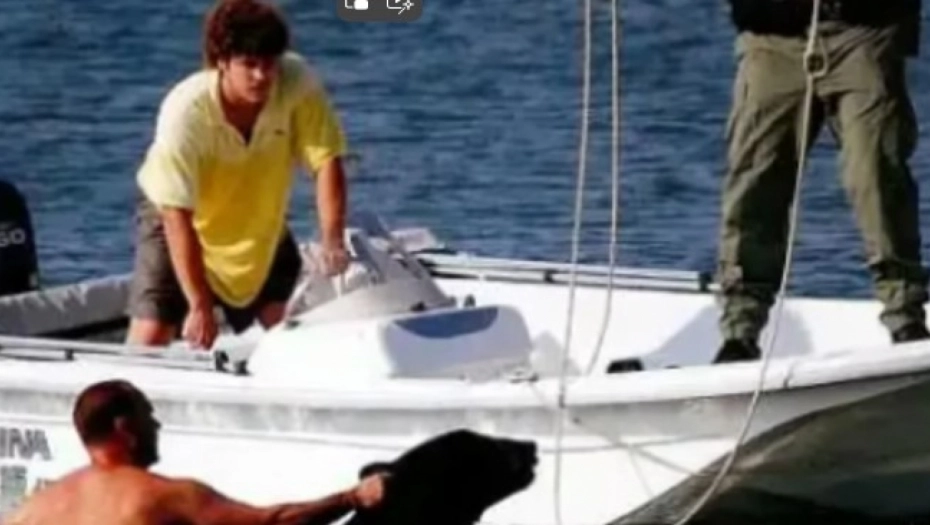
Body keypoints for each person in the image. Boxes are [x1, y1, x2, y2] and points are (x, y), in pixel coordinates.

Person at [126, 0, 351, 350]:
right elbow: (176, 214)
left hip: (256, 215)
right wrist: (199, 303)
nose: (262, 76)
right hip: (175, 216)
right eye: (249, 65)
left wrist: (332, 239)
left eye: (269, 64)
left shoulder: (297, 82)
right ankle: (123, 381)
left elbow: (326, 162)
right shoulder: (185, 113)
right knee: (153, 330)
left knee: (289, 324)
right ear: (221, 62)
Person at [714, 0, 927, 363]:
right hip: (772, 38)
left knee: (874, 173)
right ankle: (740, 330)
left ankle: (905, 316)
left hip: (863, 32)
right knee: (754, 180)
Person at [2, 379, 384, 525]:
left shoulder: (33, 510)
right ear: (125, 429)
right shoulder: (161, 496)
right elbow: (271, 524)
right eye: (148, 416)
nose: (156, 426)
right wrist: (353, 497)